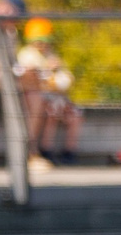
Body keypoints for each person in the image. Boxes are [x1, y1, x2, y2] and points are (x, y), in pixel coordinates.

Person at [16, 16, 82, 166]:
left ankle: (69, 151)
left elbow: (66, 78)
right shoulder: (27, 55)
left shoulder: (51, 54)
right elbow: (32, 80)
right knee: (52, 112)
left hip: (57, 96)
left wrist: (61, 78)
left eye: (46, 41)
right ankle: (46, 149)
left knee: (75, 115)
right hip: (42, 99)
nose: (43, 45)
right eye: (40, 41)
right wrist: (48, 70)